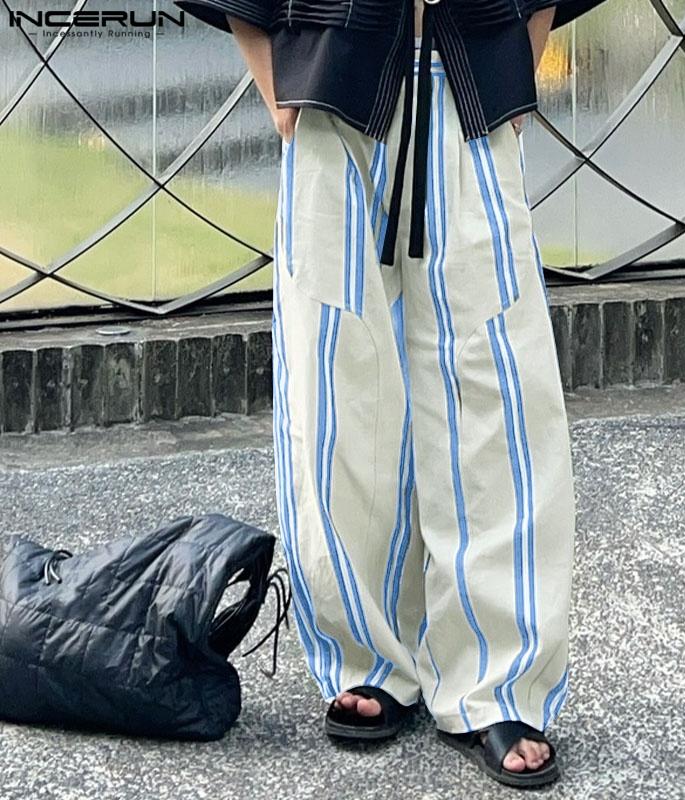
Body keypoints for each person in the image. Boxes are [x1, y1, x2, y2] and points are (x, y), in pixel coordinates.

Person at [174, 0, 607, 789]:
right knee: (340, 388)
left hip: (469, 84)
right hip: (329, 85)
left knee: (500, 390)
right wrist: (275, 84)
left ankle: (497, 681)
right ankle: (366, 655)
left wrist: (519, 51)